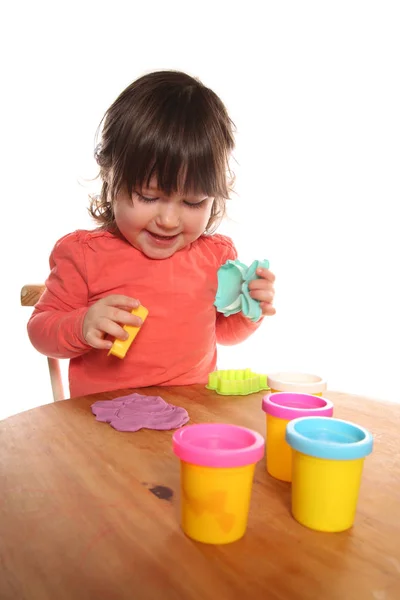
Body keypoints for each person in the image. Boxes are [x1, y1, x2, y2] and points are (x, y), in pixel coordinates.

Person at [28, 70, 276, 398]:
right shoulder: (84, 255)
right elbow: (40, 330)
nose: (169, 220)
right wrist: (82, 324)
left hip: (190, 417)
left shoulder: (216, 258)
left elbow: (224, 333)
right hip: (101, 422)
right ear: (110, 174)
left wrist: (249, 308)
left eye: (192, 201)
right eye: (148, 196)